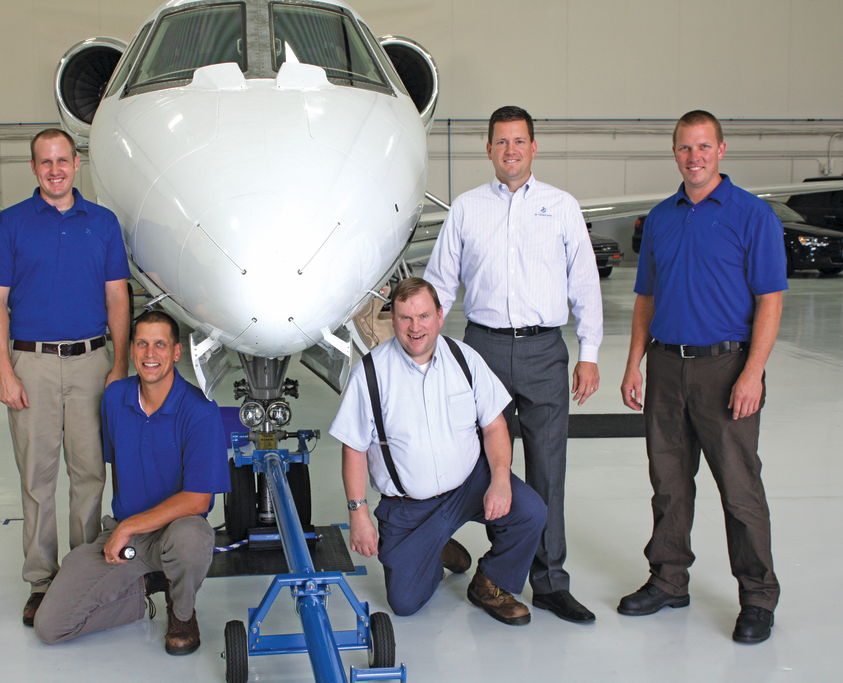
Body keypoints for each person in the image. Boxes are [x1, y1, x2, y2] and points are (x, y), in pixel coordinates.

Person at [423, 105, 603, 623]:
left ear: (533, 147)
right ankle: (487, 567)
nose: (510, 150)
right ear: (489, 150)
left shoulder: (561, 207)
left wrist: (588, 355)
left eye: (519, 141)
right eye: (501, 142)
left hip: (545, 350)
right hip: (482, 349)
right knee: (471, 463)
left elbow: (585, 286)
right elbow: (440, 283)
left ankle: (548, 582)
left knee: (548, 470)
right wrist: (420, 338)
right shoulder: (466, 208)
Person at [619, 110, 783, 644]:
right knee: (668, 483)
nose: (695, 157)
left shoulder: (751, 215)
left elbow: (770, 299)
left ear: (721, 149)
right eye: (685, 148)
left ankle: (757, 597)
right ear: (675, 153)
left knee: (739, 489)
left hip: (725, 367)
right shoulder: (661, 218)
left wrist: (752, 372)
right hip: (666, 367)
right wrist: (633, 362)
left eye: (704, 147)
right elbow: (646, 296)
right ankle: (669, 579)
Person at [0, 128, 131, 625]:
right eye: (45, 162)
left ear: (76, 163)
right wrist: (4, 369)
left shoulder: (104, 224)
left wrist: (119, 365)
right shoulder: (12, 223)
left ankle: (81, 573)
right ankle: (41, 581)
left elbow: (116, 299)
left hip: (91, 361)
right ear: (33, 168)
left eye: (62, 160)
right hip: (32, 363)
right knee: (37, 477)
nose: (55, 170)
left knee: (89, 474)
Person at [330, 277, 546, 622]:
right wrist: (358, 514)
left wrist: (501, 480)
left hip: (468, 487)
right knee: (404, 603)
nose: (415, 328)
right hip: (409, 507)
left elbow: (494, 426)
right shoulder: (370, 373)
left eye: (424, 316)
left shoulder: (464, 359)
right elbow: (353, 449)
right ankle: (435, 545)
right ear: (393, 319)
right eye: (405, 318)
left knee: (530, 511)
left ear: (440, 316)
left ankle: (489, 582)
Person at [33, 310, 230, 654]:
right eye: (141, 344)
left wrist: (129, 527)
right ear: (132, 348)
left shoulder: (200, 410)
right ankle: (145, 591)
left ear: (176, 352)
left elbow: (198, 500)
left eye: (159, 344)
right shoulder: (115, 398)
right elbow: (114, 463)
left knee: (191, 539)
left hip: (175, 530)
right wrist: (123, 530)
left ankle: (182, 613)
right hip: (126, 532)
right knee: (51, 625)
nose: (149, 354)